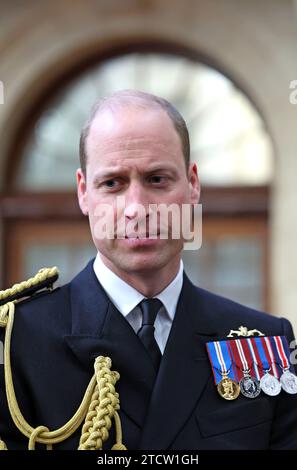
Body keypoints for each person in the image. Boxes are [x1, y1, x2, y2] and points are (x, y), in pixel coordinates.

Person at [0, 89, 297, 450]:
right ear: (83, 192)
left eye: (157, 179)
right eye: (112, 183)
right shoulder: (18, 344)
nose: (136, 209)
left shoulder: (263, 343)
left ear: (192, 185)